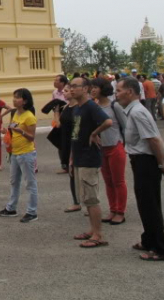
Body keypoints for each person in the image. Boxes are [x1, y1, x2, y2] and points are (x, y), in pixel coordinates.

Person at [116, 77, 164, 261]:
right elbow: (154, 138)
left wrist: (162, 164)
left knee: (149, 204)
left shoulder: (138, 112)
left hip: (146, 162)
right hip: (141, 160)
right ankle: (149, 239)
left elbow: (152, 139)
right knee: (145, 203)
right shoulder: (134, 110)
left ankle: (161, 248)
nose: (116, 94)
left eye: (119, 90)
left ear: (130, 92)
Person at [69, 76, 113, 248]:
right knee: (85, 197)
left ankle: (98, 234)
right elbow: (75, 133)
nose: (72, 89)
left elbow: (108, 121)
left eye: (76, 86)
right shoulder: (77, 108)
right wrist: (72, 158)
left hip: (89, 157)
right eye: (70, 86)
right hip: (80, 157)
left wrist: (94, 133)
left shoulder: (91, 107)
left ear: (86, 89)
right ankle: (92, 229)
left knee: (91, 197)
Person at [0, 89, 38, 223]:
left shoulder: (29, 116)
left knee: (30, 183)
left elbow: (32, 137)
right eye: (14, 97)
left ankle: (32, 211)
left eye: (18, 98)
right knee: (14, 181)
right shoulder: (15, 114)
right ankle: (11, 208)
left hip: (26, 153)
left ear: (25, 101)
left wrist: (21, 131)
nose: (14, 100)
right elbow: (12, 132)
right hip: (15, 153)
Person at [90, 78, 128, 225]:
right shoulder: (94, 106)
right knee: (108, 181)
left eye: (96, 87)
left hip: (115, 145)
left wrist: (126, 145)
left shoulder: (115, 106)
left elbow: (126, 126)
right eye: (91, 87)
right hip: (101, 148)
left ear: (103, 89)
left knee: (118, 181)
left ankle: (120, 211)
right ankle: (112, 209)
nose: (93, 90)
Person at [59, 85, 81, 213]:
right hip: (66, 143)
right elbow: (59, 125)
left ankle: (84, 201)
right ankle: (76, 201)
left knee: (79, 173)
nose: (65, 93)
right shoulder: (66, 107)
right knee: (71, 173)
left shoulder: (78, 108)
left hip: (75, 142)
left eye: (67, 91)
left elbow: (77, 130)